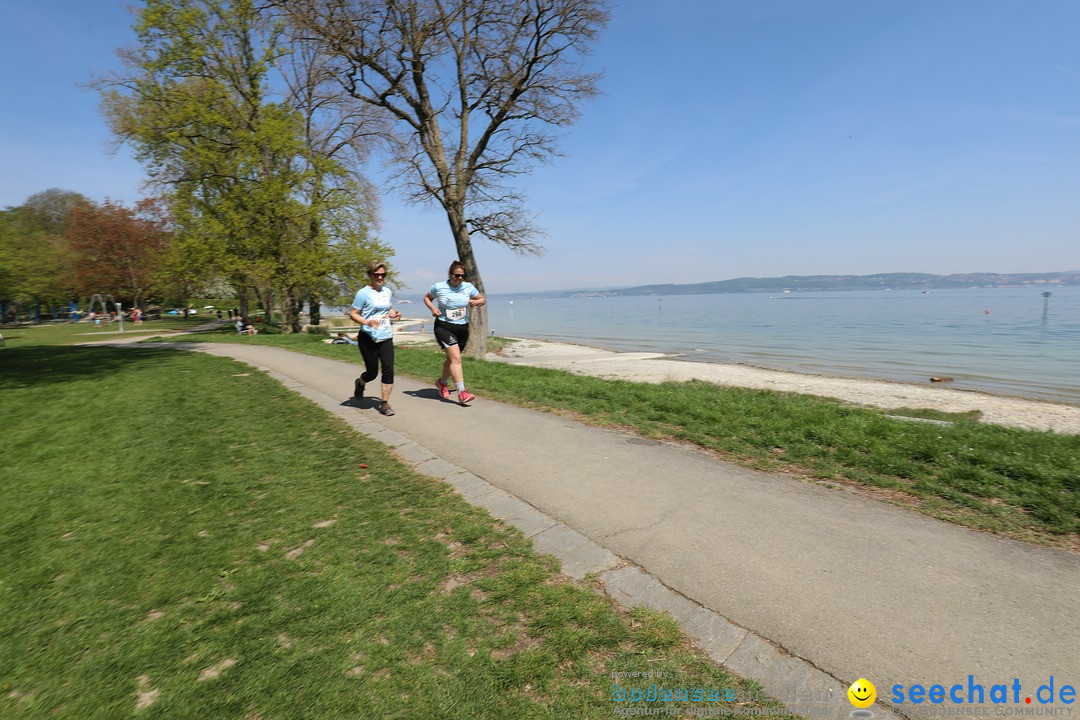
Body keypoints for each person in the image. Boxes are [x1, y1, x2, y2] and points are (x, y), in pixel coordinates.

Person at [424, 260, 486, 406]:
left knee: (452, 359)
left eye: (462, 276)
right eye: (456, 276)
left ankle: (442, 382)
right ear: (450, 274)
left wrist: (477, 302)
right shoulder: (439, 287)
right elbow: (427, 297)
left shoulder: (468, 287)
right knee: (456, 358)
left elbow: (482, 298)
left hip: (462, 328)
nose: (459, 279)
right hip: (444, 327)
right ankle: (462, 392)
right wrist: (433, 309)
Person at [349, 260, 402, 416]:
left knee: (388, 370)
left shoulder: (387, 292)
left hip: (386, 336)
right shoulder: (363, 293)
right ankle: (360, 383)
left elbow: (389, 309)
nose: (380, 277)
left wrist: (395, 315)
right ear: (370, 275)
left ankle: (384, 404)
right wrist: (367, 322)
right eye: (376, 274)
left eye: (383, 275)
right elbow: (353, 313)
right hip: (368, 337)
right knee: (372, 373)